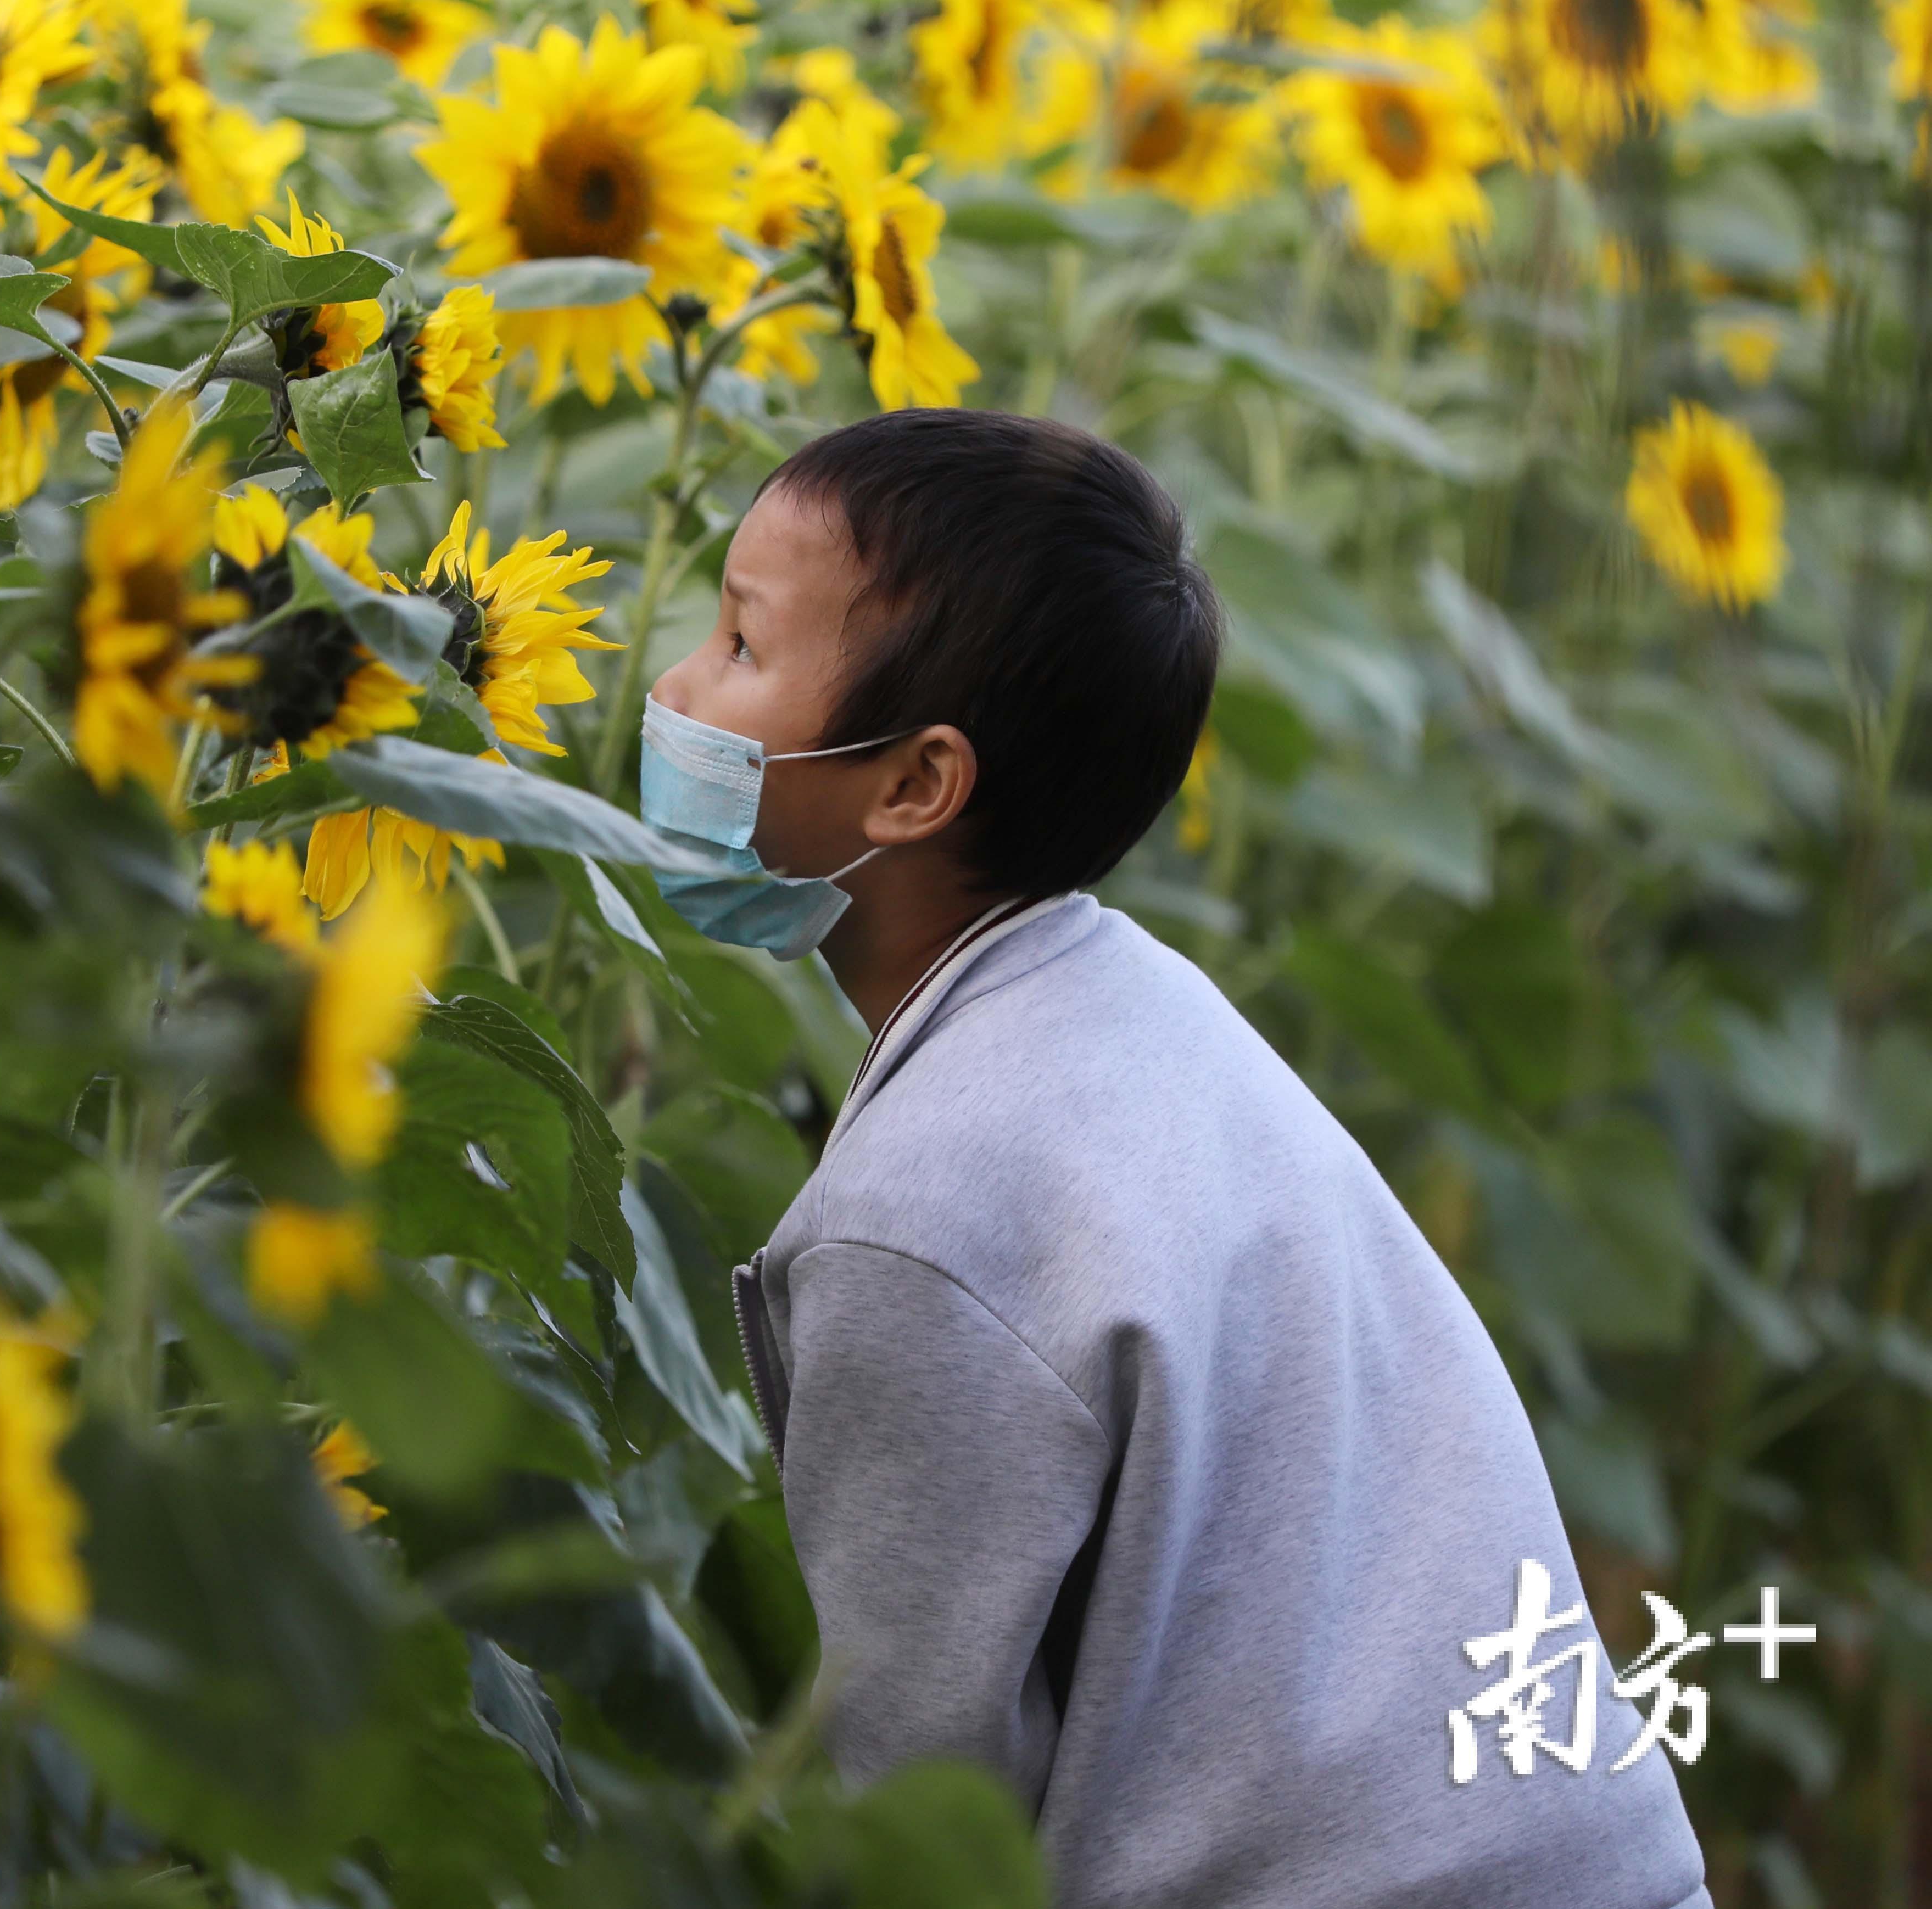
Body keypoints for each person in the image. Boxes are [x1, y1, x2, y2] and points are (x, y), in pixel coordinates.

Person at [638, 408, 1713, 1909]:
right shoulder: (1131, 1013)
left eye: (739, 650)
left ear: (911, 787)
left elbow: (898, 1827)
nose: (674, 690)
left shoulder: (925, 1219)